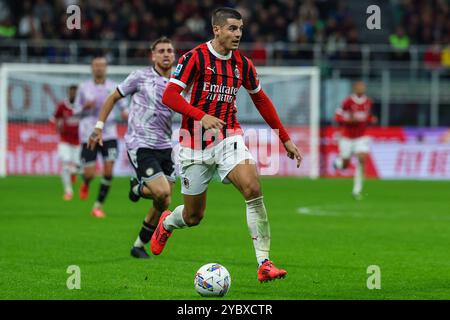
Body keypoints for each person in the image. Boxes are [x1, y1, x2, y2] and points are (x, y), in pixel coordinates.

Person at [151, 7, 302, 283]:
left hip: (228, 137)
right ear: (217, 29)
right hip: (193, 143)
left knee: (253, 187)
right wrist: (201, 115)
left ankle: (264, 262)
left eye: (241, 29)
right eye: (232, 28)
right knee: (194, 216)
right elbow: (169, 96)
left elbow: (261, 100)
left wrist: (285, 138)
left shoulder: (243, 64)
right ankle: (168, 222)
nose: (238, 34)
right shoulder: (194, 58)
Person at [88, 37, 176, 258]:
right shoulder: (140, 77)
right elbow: (112, 98)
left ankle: (138, 245)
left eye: (170, 51)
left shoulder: (178, 81)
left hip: (166, 144)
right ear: (153, 55)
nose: (166, 54)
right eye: (161, 51)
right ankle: (137, 188)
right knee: (162, 191)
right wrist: (99, 127)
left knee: (164, 201)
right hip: (141, 143)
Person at [74, 56, 128, 218]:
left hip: (109, 132)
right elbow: (75, 111)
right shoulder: (83, 88)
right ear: (92, 68)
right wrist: (84, 107)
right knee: (90, 173)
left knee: (109, 171)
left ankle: (97, 206)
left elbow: (123, 107)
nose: (99, 68)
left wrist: (128, 115)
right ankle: (86, 182)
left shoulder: (113, 87)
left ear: (106, 68)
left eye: (102, 65)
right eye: (96, 65)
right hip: (88, 134)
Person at [333, 81, 377, 199]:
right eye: (359, 86)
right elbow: (337, 116)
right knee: (345, 165)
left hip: (361, 137)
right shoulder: (348, 101)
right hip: (347, 138)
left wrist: (371, 118)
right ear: (354, 88)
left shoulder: (368, 102)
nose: (361, 88)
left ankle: (356, 190)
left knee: (362, 159)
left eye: (363, 86)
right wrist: (348, 121)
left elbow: (367, 116)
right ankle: (337, 163)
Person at [50, 85, 80, 201]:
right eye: (71, 92)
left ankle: (74, 172)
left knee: (78, 167)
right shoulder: (62, 106)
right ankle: (68, 191)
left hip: (78, 141)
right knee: (65, 164)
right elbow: (53, 119)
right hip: (65, 141)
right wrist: (57, 128)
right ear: (69, 93)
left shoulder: (82, 106)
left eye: (75, 93)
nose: (73, 95)